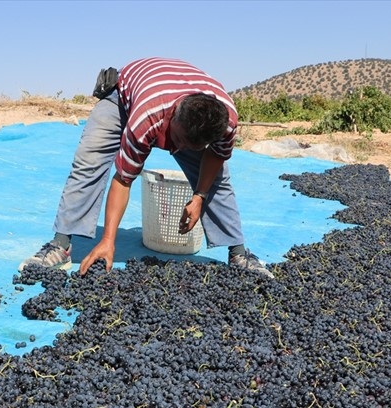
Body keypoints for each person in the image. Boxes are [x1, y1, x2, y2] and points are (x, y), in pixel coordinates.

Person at [19, 57, 273, 278]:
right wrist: (108, 240)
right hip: (124, 96)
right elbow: (123, 179)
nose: (178, 148)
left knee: (218, 179)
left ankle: (239, 253)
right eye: (179, 140)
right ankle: (61, 245)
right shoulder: (147, 118)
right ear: (172, 116)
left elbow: (216, 158)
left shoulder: (226, 122)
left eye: (191, 146)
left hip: (168, 94)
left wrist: (199, 197)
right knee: (89, 162)